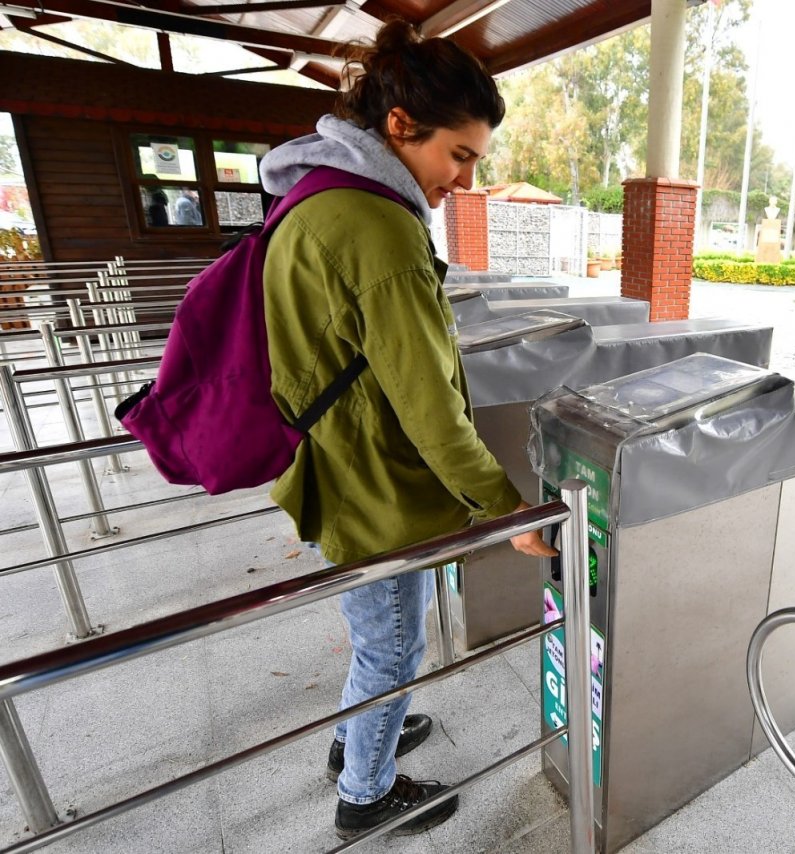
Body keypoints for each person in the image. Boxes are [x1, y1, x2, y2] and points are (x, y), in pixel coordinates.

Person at [257, 19, 556, 840]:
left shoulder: (318, 196)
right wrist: (507, 511)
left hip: (336, 466)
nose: (463, 180)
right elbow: (431, 409)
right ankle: (366, 792)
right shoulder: (378, 226)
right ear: (400, 127)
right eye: (458, 155)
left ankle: (358, 737)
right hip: (376, 492)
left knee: (373, 638)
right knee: (392, 649)